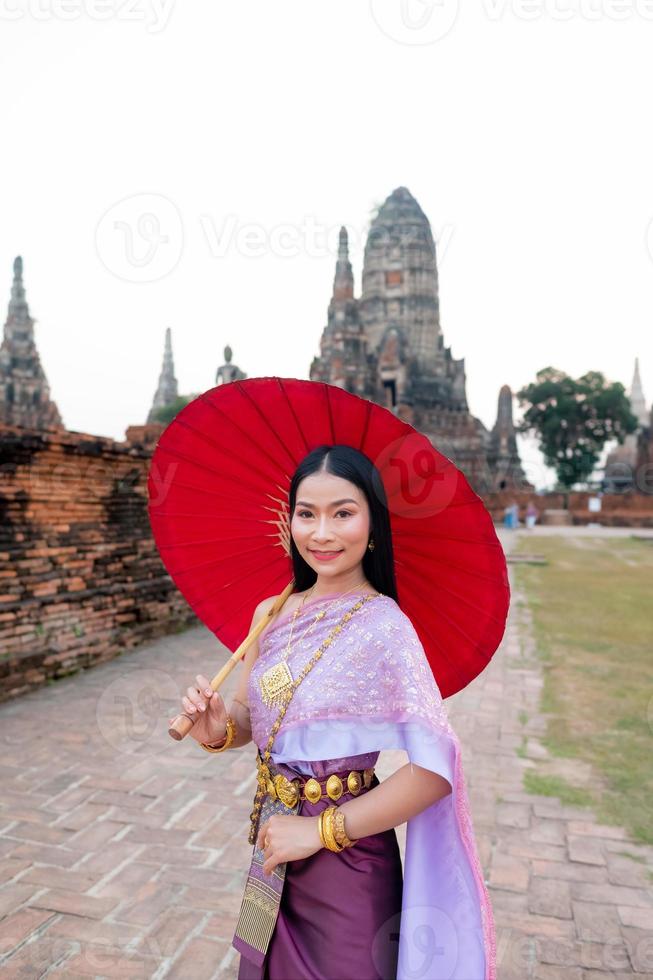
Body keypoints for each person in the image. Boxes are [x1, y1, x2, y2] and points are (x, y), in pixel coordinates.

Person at [170, 444, 497, 979]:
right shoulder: (270, 613)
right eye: (307, 514)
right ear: (290, 521)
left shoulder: (384, 627)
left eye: (342, 513)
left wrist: (317, 833)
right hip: (273, 848)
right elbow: (251, 719)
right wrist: (217, 728)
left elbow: (434, 771)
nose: (321, 533)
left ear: (372, 527)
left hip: (346, 864)